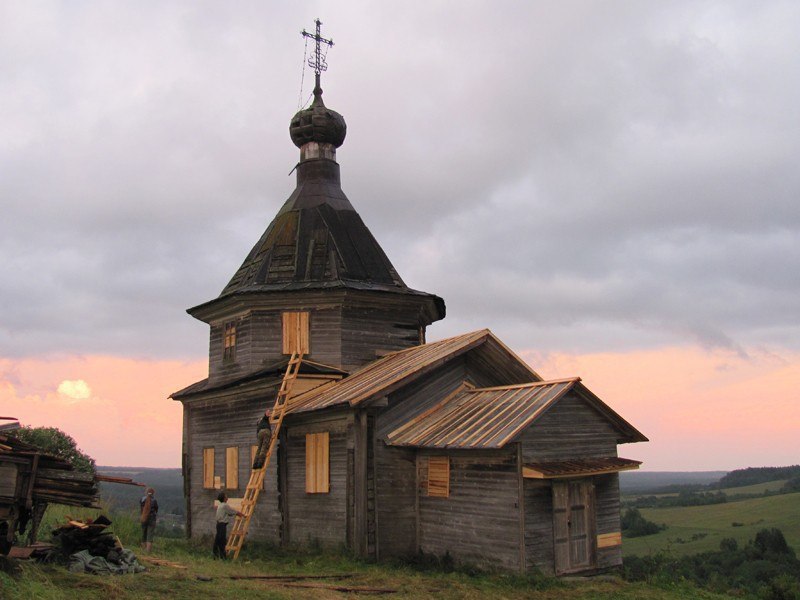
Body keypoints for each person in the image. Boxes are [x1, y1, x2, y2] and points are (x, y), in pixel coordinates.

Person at [214, 492, 244, 559]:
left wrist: (233, 513)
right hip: (222, 525)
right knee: (222, 541)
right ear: (224, 498)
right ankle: (223, 557)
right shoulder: (225, 505)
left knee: (217, 540)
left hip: (218, 524)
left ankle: (215, 555)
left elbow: (229, 513)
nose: (227, 497)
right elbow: (232, 511)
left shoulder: (220, 505)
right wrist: (241, 514)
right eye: (226, 496)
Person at [139, 487, 158, 553]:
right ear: (153, 493)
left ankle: (143, 549)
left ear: (146, 492)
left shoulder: (142, 499)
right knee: (150, 534)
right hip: (152, 519)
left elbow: (141, 508)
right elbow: (156, 509)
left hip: (143, 517)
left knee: (143, 533)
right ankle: (148, 551)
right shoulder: (154, 500)